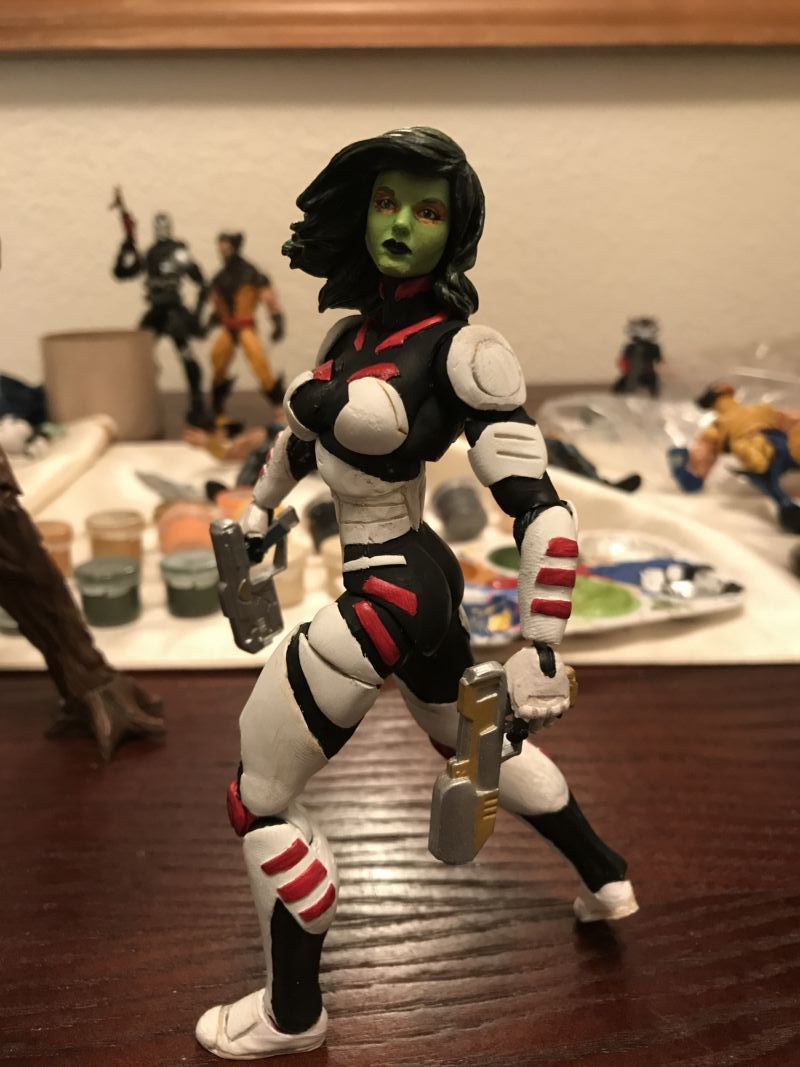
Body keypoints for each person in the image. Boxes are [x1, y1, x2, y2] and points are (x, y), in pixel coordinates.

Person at [196, 128, 638, 1060]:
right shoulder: (348, 337)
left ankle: (291, 1013)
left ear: (455, 230)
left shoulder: (463, 352)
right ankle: (605, 876)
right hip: (416, 582)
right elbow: (300, 441)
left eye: (427, 211)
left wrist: (543, 639)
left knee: (260, 800)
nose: (401, 225)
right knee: (476, 742)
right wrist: (262, 513)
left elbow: (542, 508)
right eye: (387, 203)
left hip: (389, 590)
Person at [113, 211, 209, 426]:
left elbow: (202, 283)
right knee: (138, 354)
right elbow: (122, 272)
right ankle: (135, 403)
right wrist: (126, 246)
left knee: (187, 357)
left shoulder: (179, 253)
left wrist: (196, 315)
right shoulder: (150, 254)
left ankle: (198, 404)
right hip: (156, 311)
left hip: (174, 311)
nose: (161, 230)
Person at [207, 232, 286, 425]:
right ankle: (218, 410)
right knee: (217, 359)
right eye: (220, 246)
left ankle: (279, 408)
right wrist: (207, 324)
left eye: (225, 246)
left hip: (245, 327)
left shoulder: (251, 273)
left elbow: (269, 298)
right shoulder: (220, 276)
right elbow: (217, 305)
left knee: (259, 361)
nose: (222, 250)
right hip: (228, 328)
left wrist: (277, 320)